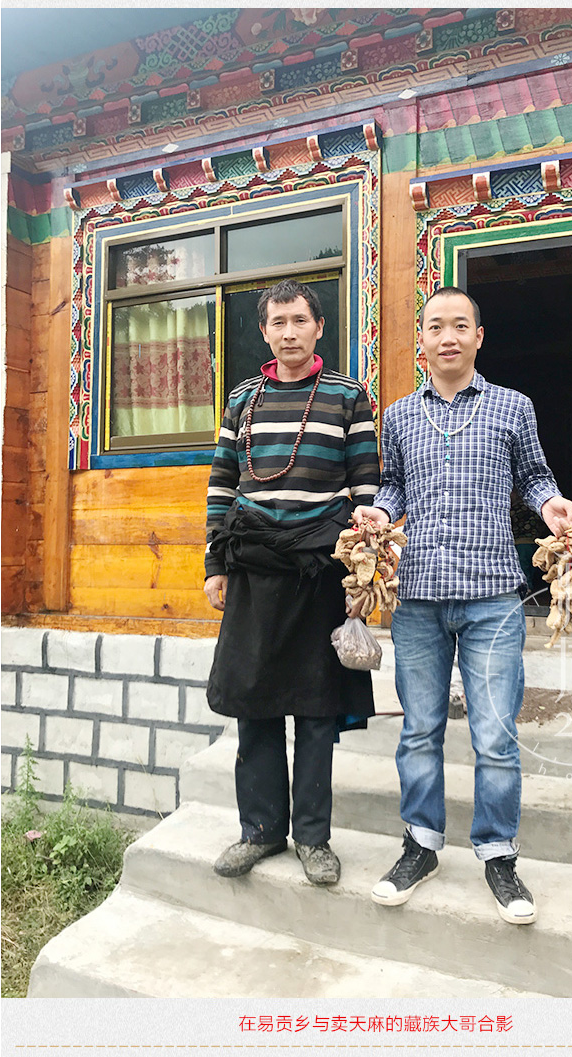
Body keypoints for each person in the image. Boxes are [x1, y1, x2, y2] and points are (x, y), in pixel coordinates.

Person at [354, 286, 572, 924]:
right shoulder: (400, 416)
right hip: (420, 598)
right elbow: (394, 485)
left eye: (460, 326)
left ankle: (498, 855)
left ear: (479, 337)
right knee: (419, 730)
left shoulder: (513, 407)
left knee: (496, 736)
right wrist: (379, 512)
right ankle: (420, 846)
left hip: (492, 597)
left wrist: (550, 505)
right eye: (435, 326)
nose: (448, 336)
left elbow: (534, 476)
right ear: (421, 341)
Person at [205, 278, 379, 886]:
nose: (289, 333)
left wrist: (364, 573)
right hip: (252, 568)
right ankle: (260, 831)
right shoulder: (242, 401)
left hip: (319, 571)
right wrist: (214, 564)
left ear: (319, 327)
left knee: (315, 707)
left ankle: (312, 838)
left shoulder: (348, 397)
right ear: (264, 331)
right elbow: (222, 485)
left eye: (299, 320)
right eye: (277, 323)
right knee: (252, 704)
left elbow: (366, 489)